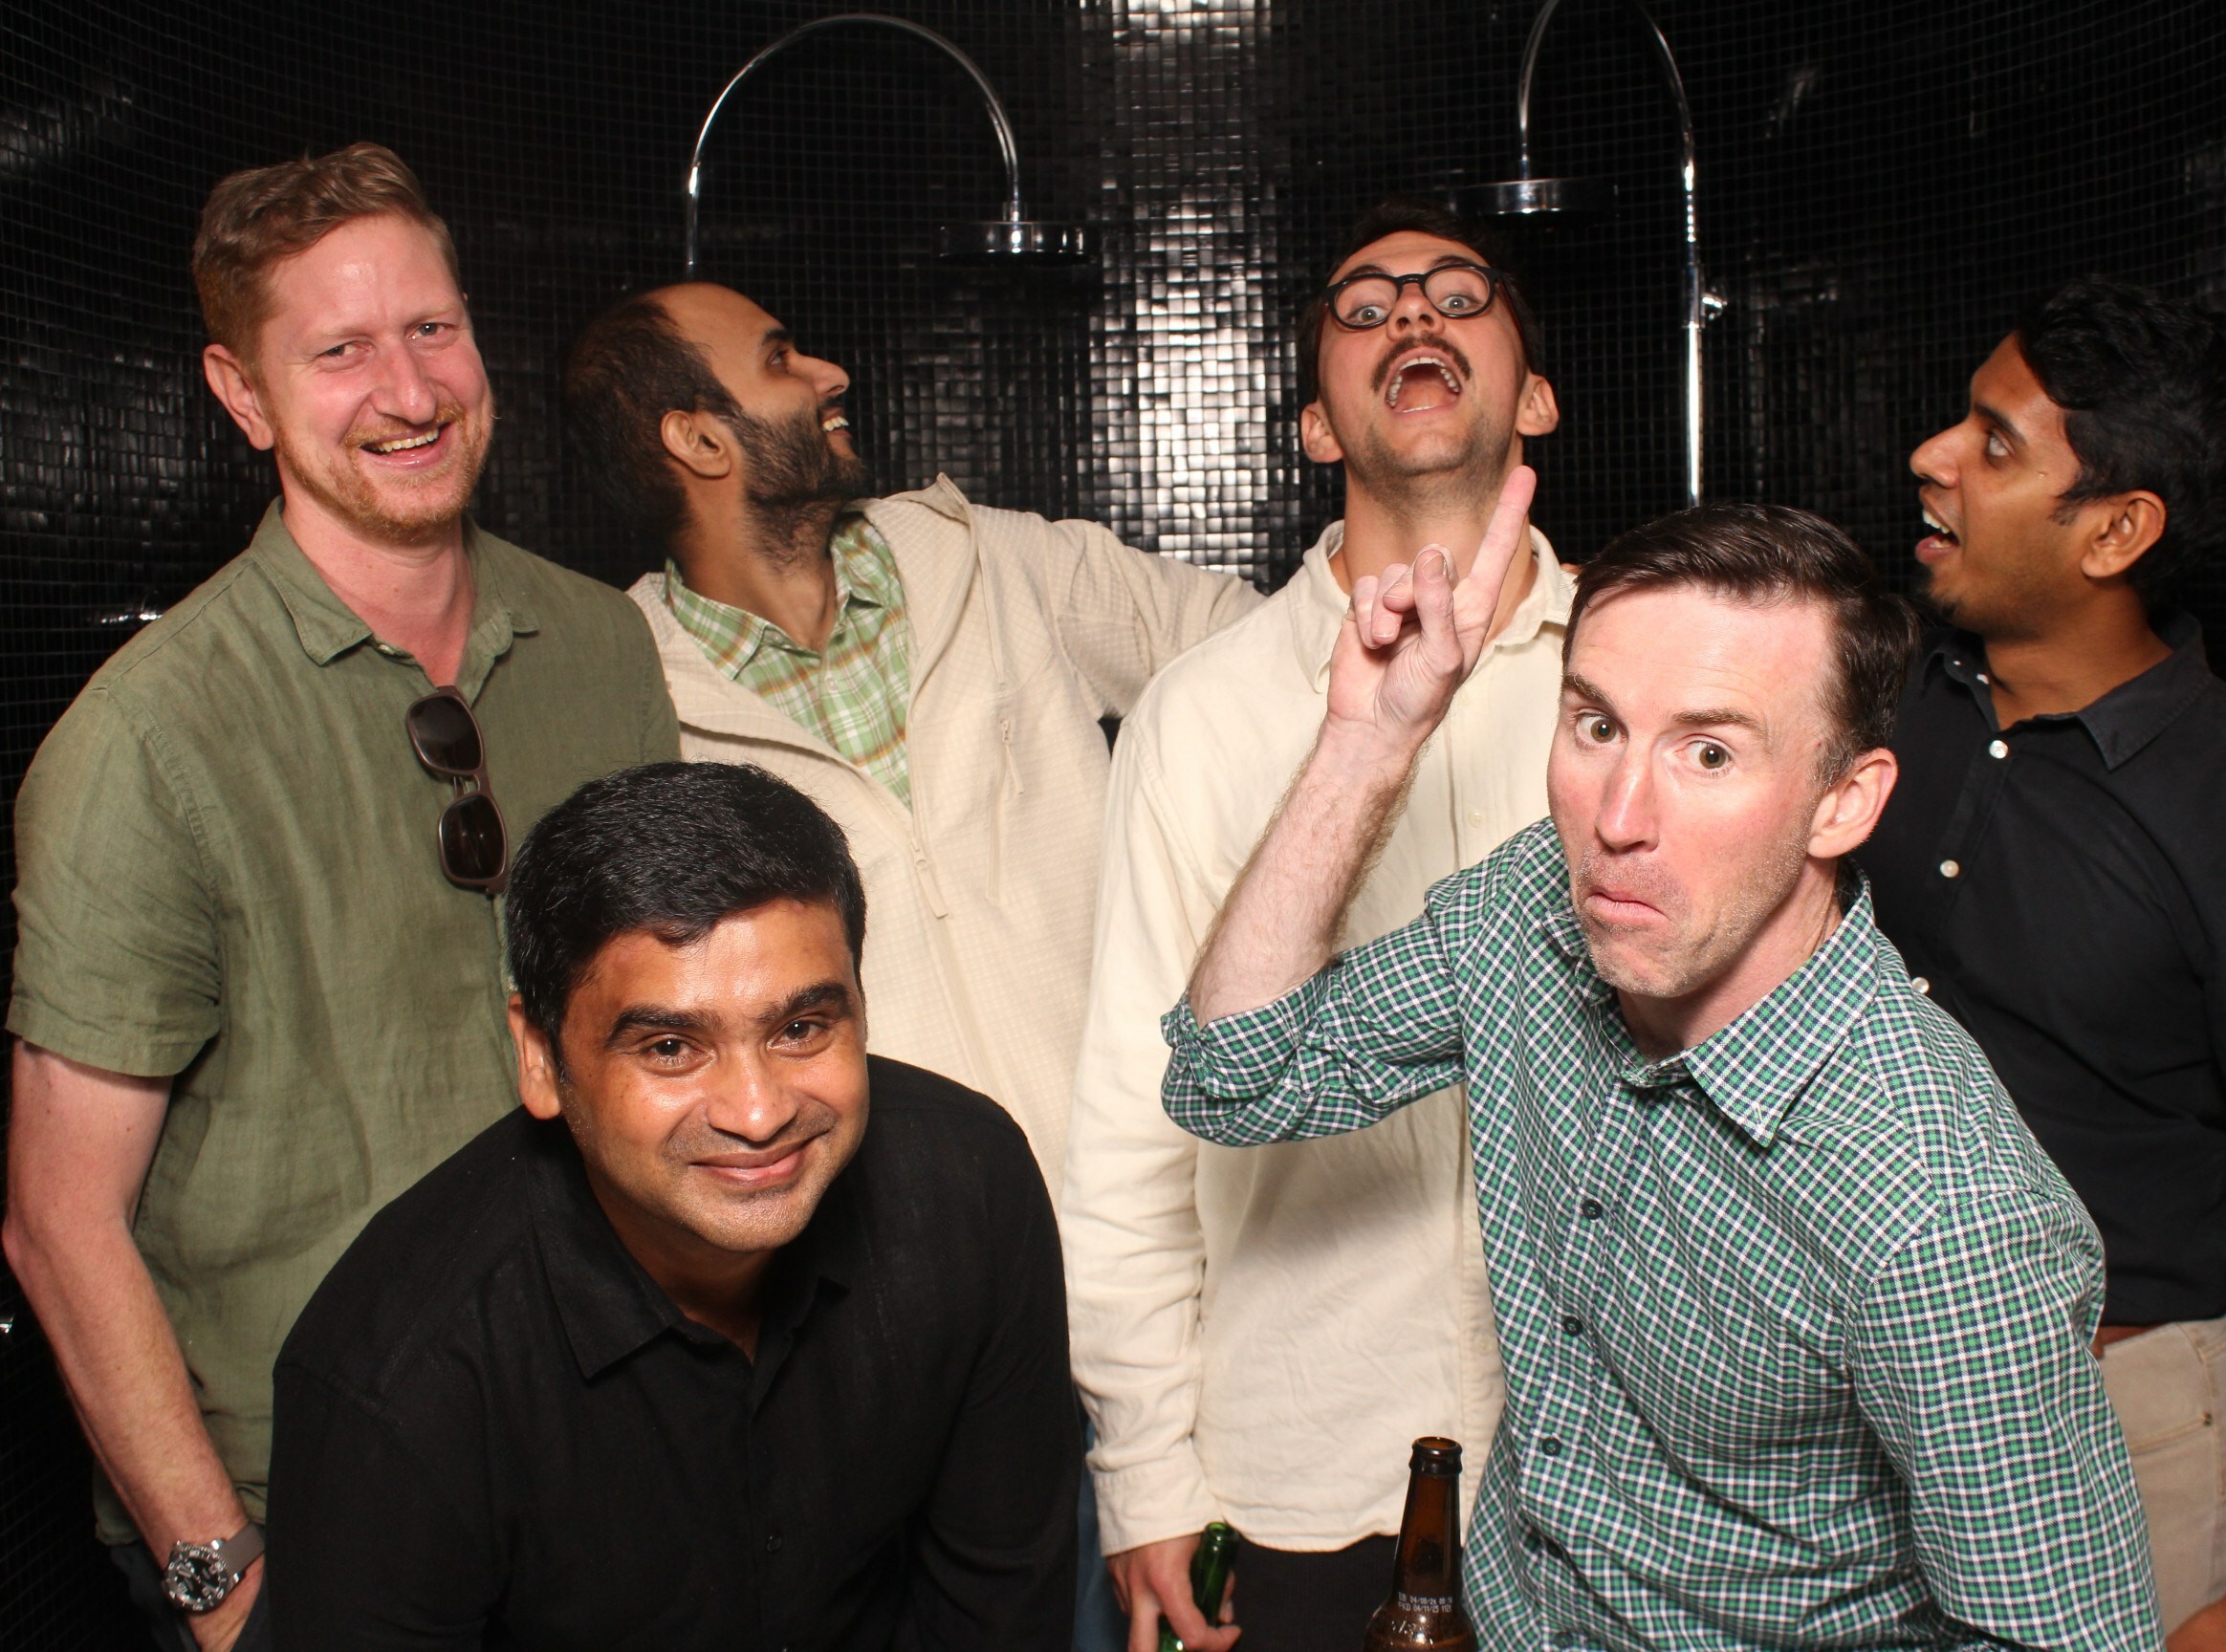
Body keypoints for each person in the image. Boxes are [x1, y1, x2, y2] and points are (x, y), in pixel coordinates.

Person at [1162, 478, 2162, 1650]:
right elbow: (1234, 1076)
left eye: (1709, 753)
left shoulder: (1942, 1212)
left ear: (1844, 804)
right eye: (1597, 728)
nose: (1618, 818)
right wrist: (1366, 742)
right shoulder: (1536, 915)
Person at [1, 144, 677, 1652]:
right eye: (341, 350)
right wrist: (227, 1587)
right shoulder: (148, 738)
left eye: (433, 329)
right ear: (243, 395)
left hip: (604, 1466)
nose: (410, 390)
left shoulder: (598, 646)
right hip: (316, 1520)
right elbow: (58, 1221)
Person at [1858, 278, 2226, 1646]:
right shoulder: (1876, 695)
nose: (1933, 455)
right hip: (1859, 1410)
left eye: (1996, 444)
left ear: (2117, 530)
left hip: (2122, 1437)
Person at [1060, 198, 1563, 1652]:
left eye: (1458, 294)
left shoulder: (1641, 675)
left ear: (1534, 398)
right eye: (1364, 305)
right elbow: (1130, 1121)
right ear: (1317, 428)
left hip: (1610, 1458)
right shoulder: (1202, 713)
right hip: (1300, 1454)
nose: (1411, 312)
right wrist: (1144, 1466)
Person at [269, 761, 1075, 1648]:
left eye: (801, 1029)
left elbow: (1001, 1613)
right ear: (539, 1057)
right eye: (668, 1047)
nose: (759, 1114)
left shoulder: (967, 1189)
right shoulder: (396, 1379)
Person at [560, 283, 1260, 1191]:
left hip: (1159, 1189)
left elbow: (1269, 657)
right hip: (917, 1229)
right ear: (699, 440)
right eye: (779, 359)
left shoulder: (994, 563)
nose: (829, 374)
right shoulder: (636, 698)